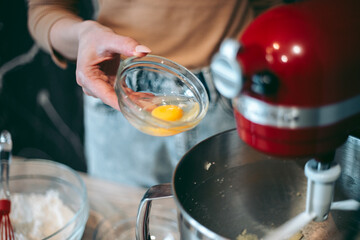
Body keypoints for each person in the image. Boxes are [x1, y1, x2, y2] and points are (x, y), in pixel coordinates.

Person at [27, 0, 285, 187]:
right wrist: (83, 36)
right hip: (119, 97)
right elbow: (45, 9)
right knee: (123, 224)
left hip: (231, 93)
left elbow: (268, 7)